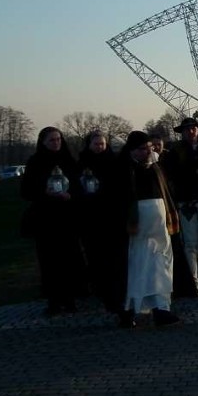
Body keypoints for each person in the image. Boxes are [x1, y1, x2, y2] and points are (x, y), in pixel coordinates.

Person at [117, 131, 181, 328]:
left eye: (149, 148)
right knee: (138, 267)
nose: (147, 152)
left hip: (159, 227)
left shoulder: (155, 168)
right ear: (133, 151)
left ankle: (161, 308)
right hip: (137, 230)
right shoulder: (123, 169)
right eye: (142, 149)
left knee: (161, 265)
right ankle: (131, 309)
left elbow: (166, 193)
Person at [21, 126, 86, 317]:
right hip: (46, 219)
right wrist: (45, 192)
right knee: (49, 261)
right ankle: (54, 300)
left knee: (69, 259)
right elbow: (25, 191)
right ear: (43, 142)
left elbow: (78, 186)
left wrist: (70, 194)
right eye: (51, 140)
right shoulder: (35, 162)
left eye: (58, 139)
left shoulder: (68, 161)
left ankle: (70, 298)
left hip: (67, 218)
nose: (56, 143)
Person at [162, 116, 198, 295]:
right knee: (190, 244)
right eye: (187, 129)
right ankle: (194, 280)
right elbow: (169, 177)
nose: (190, 131)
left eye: (193, 128)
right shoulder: (174, 153)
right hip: (185, 202)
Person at [76, 130, 127, 316]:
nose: (99, 147)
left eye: (102, 144)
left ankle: (118, 295)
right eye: (96, 144)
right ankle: (105, 294)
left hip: (113, 218)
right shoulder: (82, 164)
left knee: (116, 260)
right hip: (92, 219)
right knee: (98, 260)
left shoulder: (114, 162)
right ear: (89, 145)